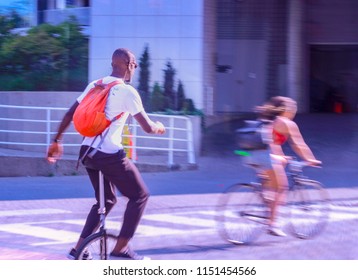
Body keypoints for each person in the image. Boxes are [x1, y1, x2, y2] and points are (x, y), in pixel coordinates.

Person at [46, 48, 165, 260]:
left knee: (107, 201)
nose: (135, 69)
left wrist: (56, 140)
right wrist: (159, 127)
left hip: (87, 153)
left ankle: (78, 249)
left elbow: (69, 113)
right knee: (140, 196)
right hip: (108, 154)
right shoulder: (127, 92)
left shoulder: (96, 84)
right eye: (135, 65)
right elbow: (147, 127)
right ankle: (121, 248)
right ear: (129, 65)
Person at [247, 96, 321, 237]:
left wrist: (281, 157)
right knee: (281, 188)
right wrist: (311, 159)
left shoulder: (266, 120)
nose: (294, 111)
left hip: (248, 155)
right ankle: (272, 224)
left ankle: (266, 205)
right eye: (293, 108)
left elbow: (270, 143)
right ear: (286, 110)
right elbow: (298, 144)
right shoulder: (286, 123)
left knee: (269, 187)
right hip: (264, 157)